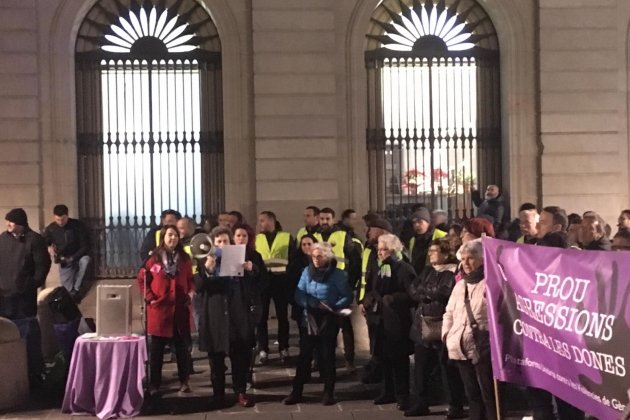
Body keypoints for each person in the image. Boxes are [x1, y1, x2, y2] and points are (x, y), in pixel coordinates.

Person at [196, 226, 261, 408]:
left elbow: (257, 282)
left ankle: (240, 392)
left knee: (240, 358)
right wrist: (208, 270)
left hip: (236, 317)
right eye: (219, 242)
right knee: (216, 361)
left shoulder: (241, 259)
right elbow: (199, 287)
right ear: (212, 244)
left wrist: (251, 269)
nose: (222, 245)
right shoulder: (204, 262)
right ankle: (218, 395)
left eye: (225, 241)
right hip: (215, 317)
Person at [530, 206, 585, 420]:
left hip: (566, 339)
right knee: (541, 399)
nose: (537, 226)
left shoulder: (575, 257)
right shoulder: (532, 253)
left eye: (543, 222)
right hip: (539, 335)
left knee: (568, 400)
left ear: (557, 227)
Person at [283, 242, 353, 406]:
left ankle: (328, 392)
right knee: (304, 356)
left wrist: (333, 306)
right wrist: (312, 303)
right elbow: (298, 294)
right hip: (310, 318)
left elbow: (347, 296)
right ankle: (297, 392)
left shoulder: (338, 275)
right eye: (313, 256)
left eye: (319, 256)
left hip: (329, 318)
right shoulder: (306, 272)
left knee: (327, 355)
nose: (315, 259)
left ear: (327, 257)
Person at [406, 239, 465, 418]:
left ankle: (455, 405)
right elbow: (414, 289)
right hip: (423, 324)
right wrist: (427, 292)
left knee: (448, 368)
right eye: (430, 251)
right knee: (421, 368)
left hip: (442, 324)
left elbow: (445, 291)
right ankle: (421, 402)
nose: (431, 254)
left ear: (446, 253)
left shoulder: (453, 271)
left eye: (435, 251)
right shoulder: (427, 270)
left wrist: (427, 292)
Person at [137, 224, 194, 396]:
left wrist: (191, 293)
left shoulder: (184, 259)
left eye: (175, 235)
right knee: (157, 352)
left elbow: (191, 279)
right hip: (160, 311)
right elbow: (142, 279)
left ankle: (184, 381)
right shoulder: (153, 258)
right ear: (163, 237)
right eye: (170, 235)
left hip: (179, 310)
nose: (173, 238)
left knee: (182, 350)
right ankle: (154, 384)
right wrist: (150, 297)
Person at [442, 239, 496, 420]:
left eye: (470, 258)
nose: (465, 263)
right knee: (471, 392)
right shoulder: (460, 284)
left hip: (483, 345)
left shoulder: (491, 283)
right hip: (460, 344)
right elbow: (449, 312)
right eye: (463, 259)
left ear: (482, 259)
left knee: (490, 394)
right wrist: (447, 335)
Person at [362, 233, 415, 411]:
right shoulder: (379, 268)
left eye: (384, 250)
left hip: (397, 321)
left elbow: (413, 295)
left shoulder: (404, 269)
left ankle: (403, 395)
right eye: (379, 249)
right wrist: (367, 299)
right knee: (383, 357)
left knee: (399, 360)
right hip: (379, 320)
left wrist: (394, 298)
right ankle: (388, 391)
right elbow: (371, 287)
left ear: (393, 251)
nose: (380, 253)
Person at [0, 208, 51, 387]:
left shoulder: (34, 240)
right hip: (4, 297)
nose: (7, 225)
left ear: (20, 224)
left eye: (11, 222)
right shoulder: (2, 239)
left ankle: (33, 372)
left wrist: (32, 283)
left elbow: (42, 264)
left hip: (24, 296)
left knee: (27, 332)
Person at [314, 207, 361, 371]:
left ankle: (349, 360)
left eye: (327, 219)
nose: (324, 222)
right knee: (320, 324)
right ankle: (323, 359)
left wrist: (351, 282)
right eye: (322, 219)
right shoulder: (314, 236)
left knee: (344, 323)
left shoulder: (342, 235)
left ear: (333, 219)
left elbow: (354, 260)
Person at [255, 211, 295, 364]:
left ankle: (283, 348)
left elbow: (291, 259)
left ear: (272, 221)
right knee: (261, 318)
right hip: (263, 282)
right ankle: (263, 349)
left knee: (282, 317)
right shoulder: (257, 239)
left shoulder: (286, 237)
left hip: (280, 282)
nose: (260, 224)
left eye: (262, 220)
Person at [358, 217, 392, 385]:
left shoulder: (389, 250)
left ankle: (380, 372)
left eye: (371, 228)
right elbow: (364, 276)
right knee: (374, 338)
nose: (368, 231)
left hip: (381, 304)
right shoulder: (368, 248)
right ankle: (376, 368)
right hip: (369, 302)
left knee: (382, 340)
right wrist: (361, 299)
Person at [232, 223, 265, 390]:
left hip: (250, 304)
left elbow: (263, 280)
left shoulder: (255, 255)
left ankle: (247, 374)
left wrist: (254, 269)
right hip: (232, 306)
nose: (241, 238)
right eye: (238, 235)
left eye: (244, 236)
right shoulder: (227, 254)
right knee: (235, 344)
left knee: (248, 341)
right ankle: (237, 376)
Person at [43, 204, 91, 300]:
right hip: (64, 259)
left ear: (67, 216)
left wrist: (73, 258)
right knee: (67, 290)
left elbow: (85, 246)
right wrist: (49, 247)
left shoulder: (78, 226)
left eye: (63, 219)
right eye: (57, 220)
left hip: (79, 255)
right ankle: (73, 293)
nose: (60, 222)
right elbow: (44, 241)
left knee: (85, 261)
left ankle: (77, 289)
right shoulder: (51, 229)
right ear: (54, 217)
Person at [407, 207, 447, 273]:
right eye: (414, 222)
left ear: (428, 222)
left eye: (420, 222)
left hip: (437, 274)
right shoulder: (413, 240)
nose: (417, 225)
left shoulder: (441, 235)